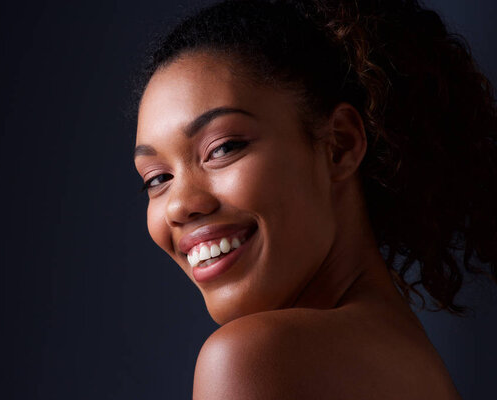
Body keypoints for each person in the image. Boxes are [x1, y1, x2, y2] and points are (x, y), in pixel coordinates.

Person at [132, 0, 497, 398]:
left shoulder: (250, 359)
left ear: (339, 144)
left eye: (223, 148)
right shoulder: (417, 365)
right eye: (158, 178)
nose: (179, 205)